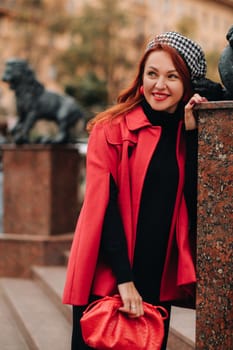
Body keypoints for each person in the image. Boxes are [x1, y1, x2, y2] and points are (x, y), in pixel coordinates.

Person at [63, 31, 208, 350]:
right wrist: (124, 281)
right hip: (108, 276)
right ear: (140, 77)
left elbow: (198, 200)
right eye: (152, 74)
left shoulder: (186, 136)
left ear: (187, 83)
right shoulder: (110, 129)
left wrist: (195, 133)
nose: (160, 85)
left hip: (157, 280)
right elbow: (104, 209)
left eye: (172, 76)